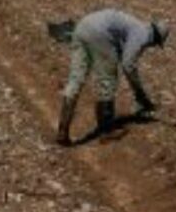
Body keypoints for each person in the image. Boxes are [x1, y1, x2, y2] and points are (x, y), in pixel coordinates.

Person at [54, 9, 169, 146]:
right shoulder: (143, 35)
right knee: (108, 79)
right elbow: (128, 65)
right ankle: (106, 130)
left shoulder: (135, 25)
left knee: (75, 79)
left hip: (82, 26)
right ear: (156, 39)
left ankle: (63, 130)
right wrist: (140, 95)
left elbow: (121, 51)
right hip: (99, 33)